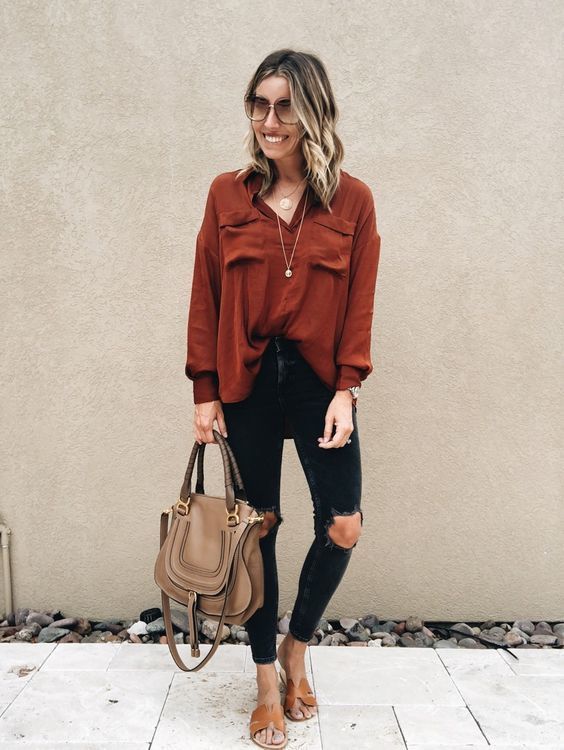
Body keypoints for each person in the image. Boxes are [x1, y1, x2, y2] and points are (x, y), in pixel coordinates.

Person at [185, 48, 381, 749]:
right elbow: (206, 293)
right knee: (258, 527)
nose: (270, 121)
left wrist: (348, 390)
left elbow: (360, 302)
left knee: (343, 524)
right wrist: (205, 392)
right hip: (246, 380)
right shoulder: (226, 194)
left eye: (285, 106)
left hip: (320, 381)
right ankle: (266, 680)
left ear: (313, 112)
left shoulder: (351, 200)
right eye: (258, 105)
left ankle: (299, 645)